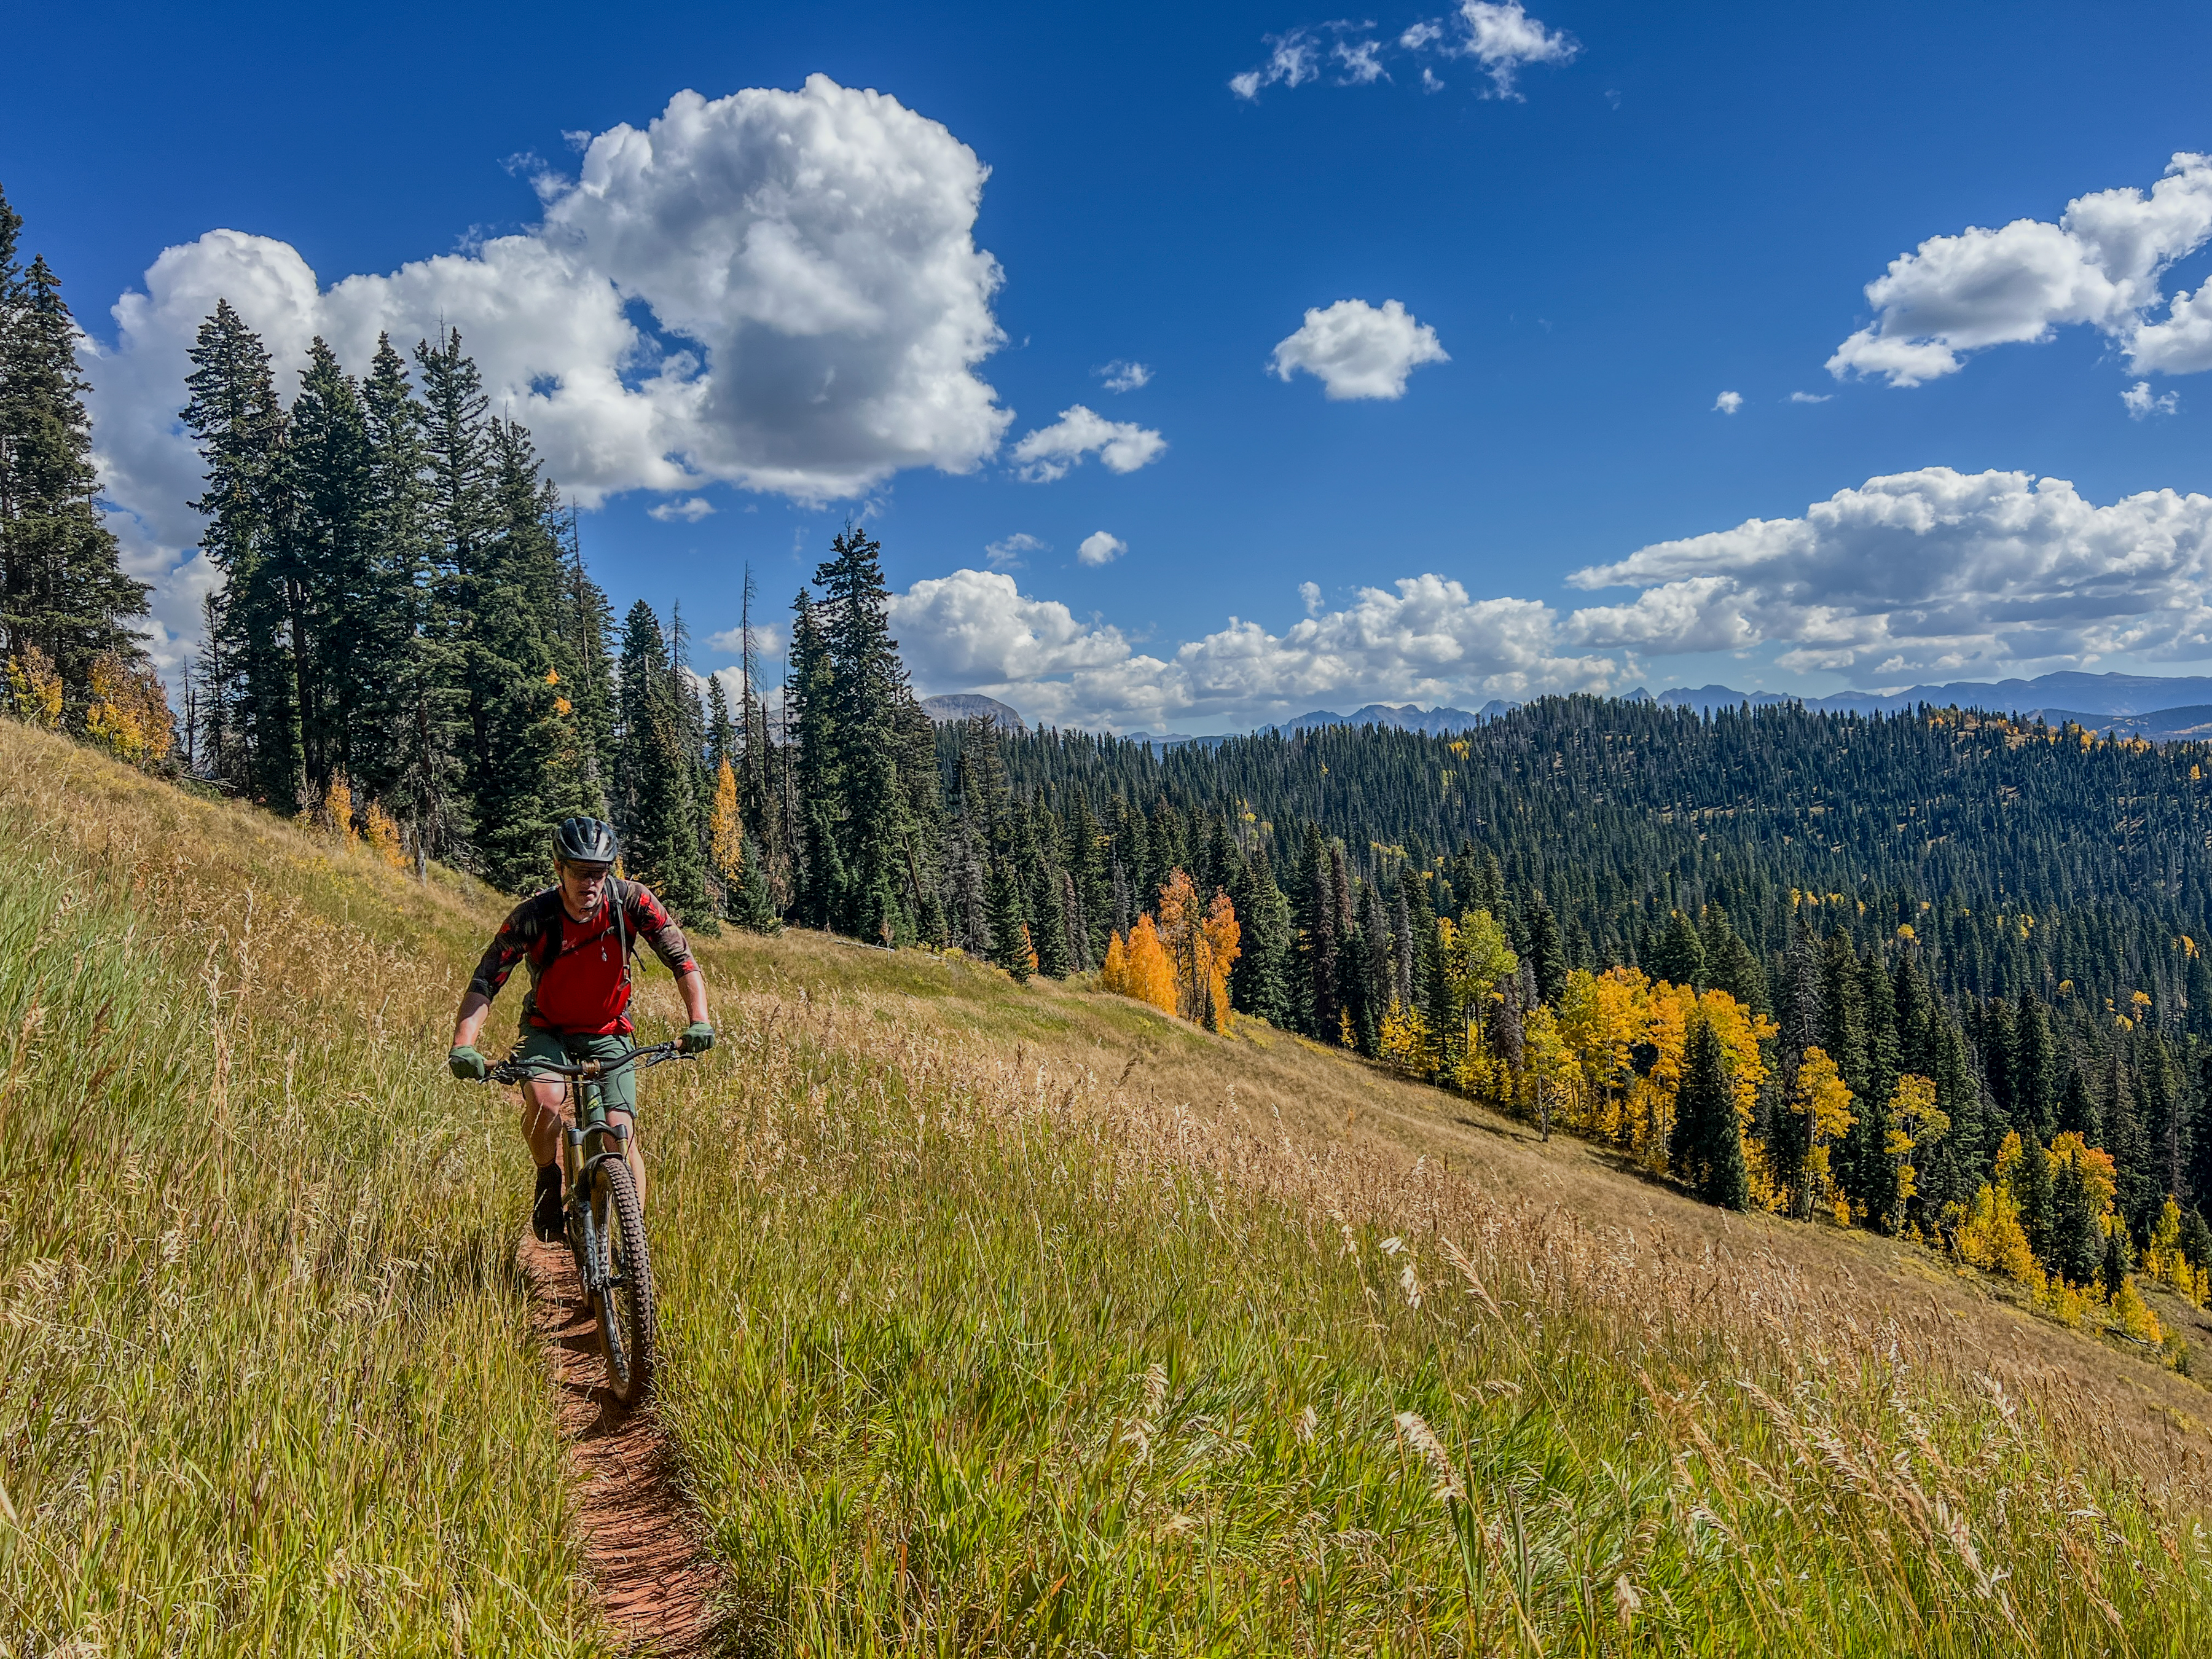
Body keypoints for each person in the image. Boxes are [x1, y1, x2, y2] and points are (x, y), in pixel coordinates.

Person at [447, 817, 714, 1242]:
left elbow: (683, 961)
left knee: (620, 1133)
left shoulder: (632, 903)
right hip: (546, 1028)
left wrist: (699, 1020)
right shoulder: (534, 917)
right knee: (547, 1103)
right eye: (578, 872)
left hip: (609, 1030)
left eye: (599, 872)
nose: (590, 883)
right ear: (559, 868)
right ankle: (548, 1174)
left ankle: (633, 1245)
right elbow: (485, 981)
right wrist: (465, 1044)